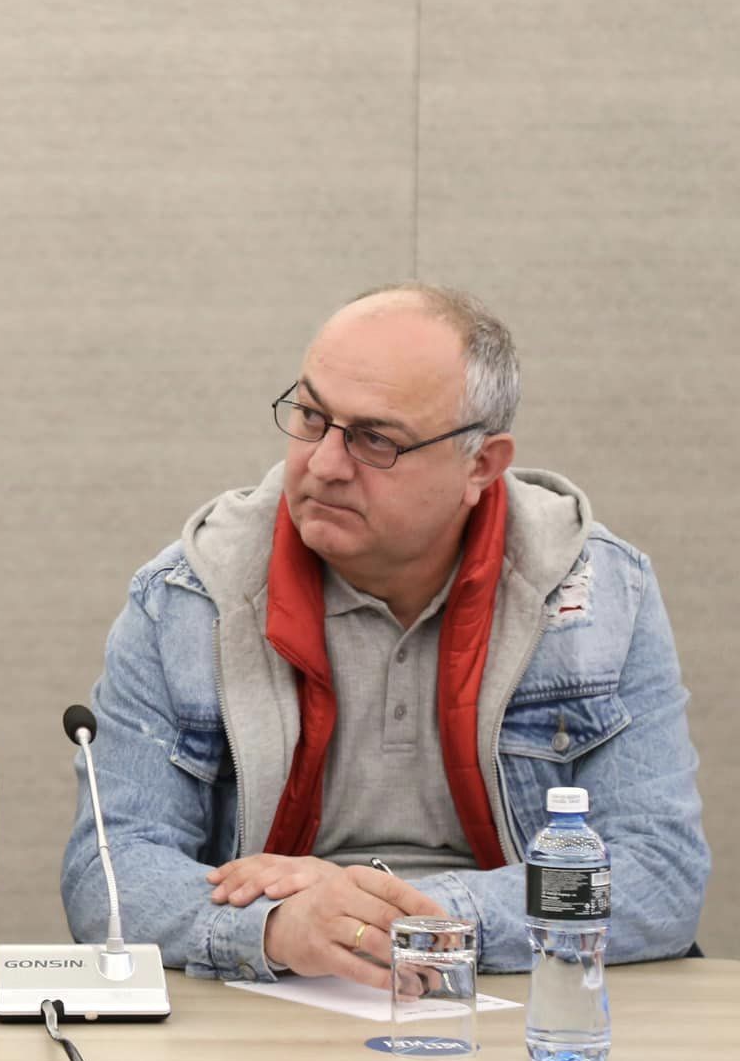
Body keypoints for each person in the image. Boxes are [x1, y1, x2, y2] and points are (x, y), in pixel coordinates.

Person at [62, 284, 707, 988]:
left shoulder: (595, 594)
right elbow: (111, 876)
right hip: (277, 989)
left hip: (517, 993)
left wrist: (403, 917)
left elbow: (657, 877)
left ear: (481, 465)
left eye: (376, 440)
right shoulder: (189, 598)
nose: (323, 464)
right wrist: (279, 925)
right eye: (311, 417)